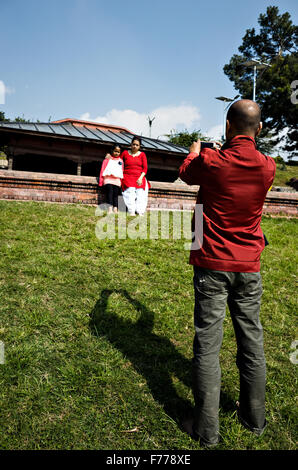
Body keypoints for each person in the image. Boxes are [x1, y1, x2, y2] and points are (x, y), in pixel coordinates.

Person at [179, 99, 276, 447]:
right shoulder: (268, 166)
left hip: (212, 262)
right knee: (252, 342)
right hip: (249, 265)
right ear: (260, 129)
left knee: (208, 345)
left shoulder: (211, 160)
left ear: (226, 127)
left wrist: (194, 150)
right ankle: (255, 420)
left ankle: (206, 430)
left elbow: (187, 173)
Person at [121, 136, 149, 216]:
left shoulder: (142, 155)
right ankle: (131, 211)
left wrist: (140, 178)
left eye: (137, 145)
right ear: (131, 144)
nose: (135, 146)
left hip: (139, 177)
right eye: (133, 144)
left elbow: (145, 168)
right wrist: (109, 156)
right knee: (130, 192)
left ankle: (140, 211)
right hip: (127, 176)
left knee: (141, 194)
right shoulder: (125, 153)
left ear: (139, 146)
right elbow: (118, 161)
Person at [99, 145, 123, 213]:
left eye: (118, 152)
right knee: (110, 193)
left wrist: (121, 182)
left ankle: (115, 208)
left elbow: (121, 171)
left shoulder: (120, 161)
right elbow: (102, 170)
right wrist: (101, 181)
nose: (116, 153)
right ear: (112, 151)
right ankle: (110, 208)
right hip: (108, 179)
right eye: (115, 151)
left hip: (117, 180)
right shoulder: (107, 160)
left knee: (115, 194)